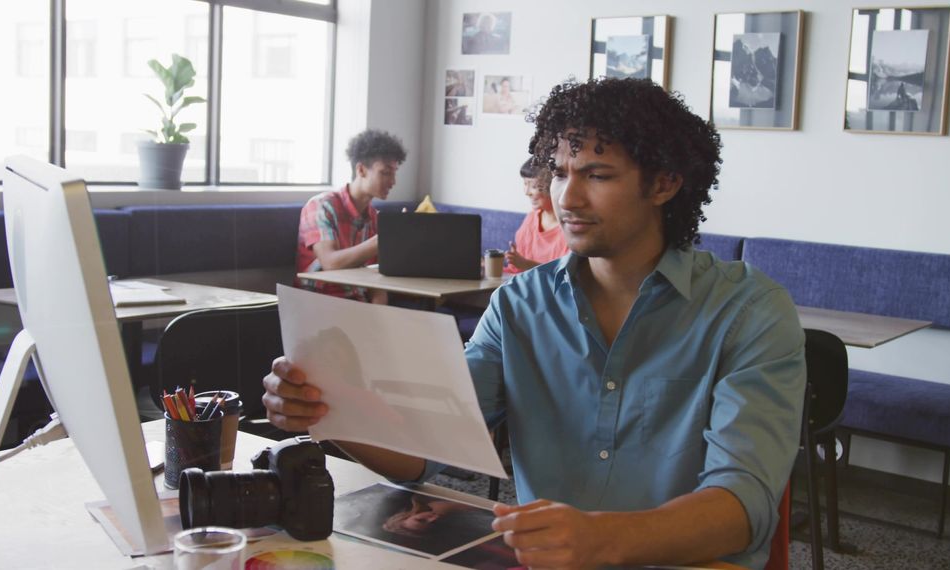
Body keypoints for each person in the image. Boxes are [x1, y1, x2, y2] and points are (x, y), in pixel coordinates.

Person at [265, 77, 805, 569]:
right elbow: (430, 449)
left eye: (597, 175)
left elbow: (743, 505)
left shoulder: (748, 311)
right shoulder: (518, 306)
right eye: (562, 173)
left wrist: (601, 539)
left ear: (664, 184)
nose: (566, 197)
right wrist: (330, 409)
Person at [295, 129, 406, 304]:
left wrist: (381, 319)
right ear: (361, 170)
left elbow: (377, 283)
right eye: (385, 172)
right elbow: (330, 263)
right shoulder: (321, 206)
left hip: (356, 306)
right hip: (317, 304)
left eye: (394, 172)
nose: (393, 182)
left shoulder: (375, 218)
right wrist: (384, 239)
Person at [504, 157, 567, 274]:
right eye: (525, 184)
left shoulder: (568, 227)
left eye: (533, 186)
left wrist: (525, 264)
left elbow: (565, 276)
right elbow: (515, 271)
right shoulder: (531, 219)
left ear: (552, 186)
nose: (527, 192)